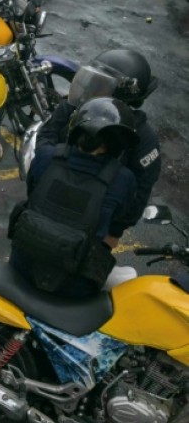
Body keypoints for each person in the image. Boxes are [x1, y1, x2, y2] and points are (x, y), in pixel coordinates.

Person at [9, 97, 139, 298]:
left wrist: (70, 101)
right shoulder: (122, 179)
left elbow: (32, 190)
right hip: (75, 287)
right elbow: (118, 220)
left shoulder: (46, 156)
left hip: (21, 267)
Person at [37, 49, 161, 247]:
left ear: (122, 94)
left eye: (100, 84)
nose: (90, 88)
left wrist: (112, 233)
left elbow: (138, 197)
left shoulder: (143, 139)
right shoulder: (78, 108)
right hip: (51, 205)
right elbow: (47, 134)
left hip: (93, 226)